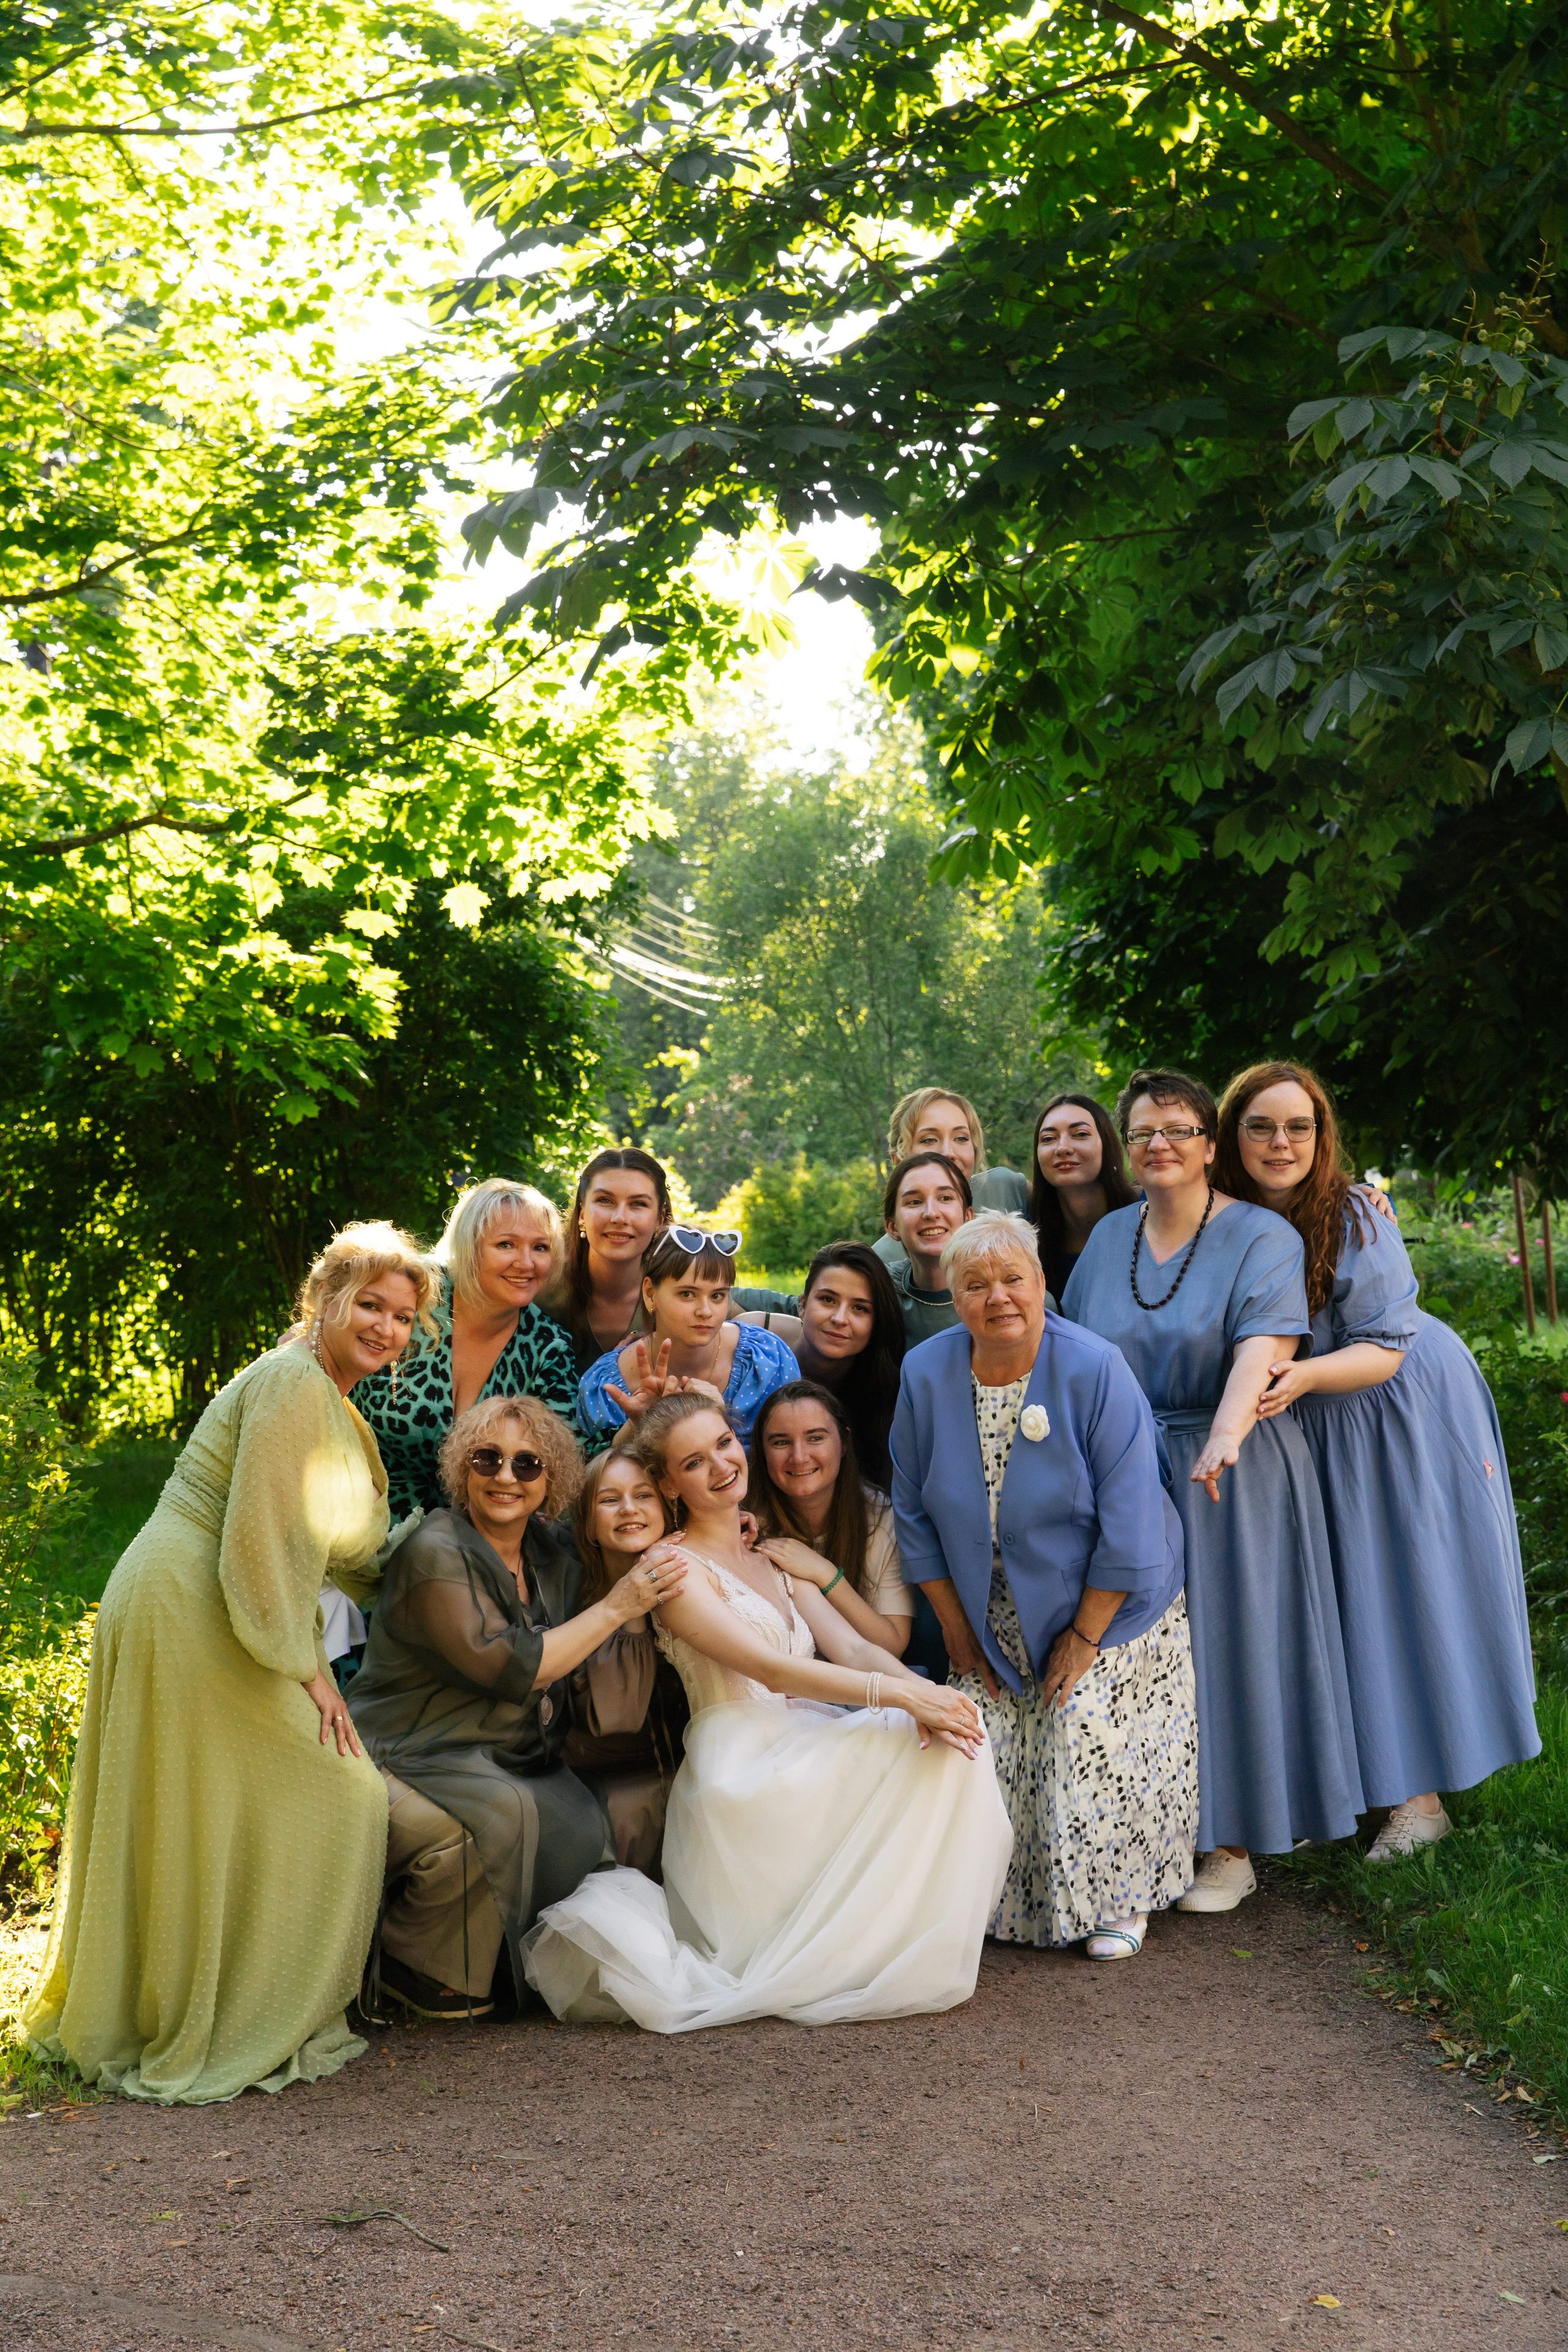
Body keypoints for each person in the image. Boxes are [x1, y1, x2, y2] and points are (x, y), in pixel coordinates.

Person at [24, 1223, 433, 2103]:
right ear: (324, 1301)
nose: (387, 1328)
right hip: (195, 1596)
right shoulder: (293, 1383)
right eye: (370, 1304)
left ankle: (190, 1996)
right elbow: (260, 1539)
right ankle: (230, 2014)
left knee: (214, 1799)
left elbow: (328, 1538)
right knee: (344, 1791)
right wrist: (308, 1668)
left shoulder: (322, 1390)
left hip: (208, 1596)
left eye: (402, 1316)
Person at [522, 1393, 1012, 2030]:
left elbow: (857, 1646)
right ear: (670, 1484)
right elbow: (770, 1669)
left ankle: (891, 1942)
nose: (722, 1465)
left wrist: (937, 1699)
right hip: (741, 1770)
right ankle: (859, 1952)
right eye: (694, 1462)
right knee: (920, 1738)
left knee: (955, 1740)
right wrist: (902, 1696)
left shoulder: (772, 1555)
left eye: (724, 1443)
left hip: (803, 1739)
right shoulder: (671, 1569)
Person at [1215, 1061, 1540, 1858]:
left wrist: (1298, 1378)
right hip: (1315, 1417)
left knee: (1403, 1590)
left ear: (1323, 1136)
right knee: (1342, 1599)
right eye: (1261, 1127)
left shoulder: (1355, 1211)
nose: (1280, 1143)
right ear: (1232, 1136)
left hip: (1397, 1409)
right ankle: (1357, 1778)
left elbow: (1386, 1347)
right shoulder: (1222, 1217)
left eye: (1299, 1126)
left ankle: (1422, 1800)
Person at [1062, 1069, 1363, 1913]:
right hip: (1129, 1465)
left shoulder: (1263, 1237)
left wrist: (1226, 1437)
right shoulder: (1110, 1239)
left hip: (1237, 1467)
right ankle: (1143, 1828)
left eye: (1180, 1131)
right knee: (1139, 1651)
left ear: (1207, 1144)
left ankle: (1231, 1846)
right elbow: (1080, 1364)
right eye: (1146, 1133)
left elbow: (1260, 1353)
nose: (1161, 1145)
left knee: (1229, 1648)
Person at [892, 1212, 1196, 1960]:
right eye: (974, 1284)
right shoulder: (926, 1373)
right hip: (990, 1606)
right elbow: (912, 1509)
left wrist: (1084, 1637)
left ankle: (1118, 1898)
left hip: (1110, 1604)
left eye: (1012, 1279)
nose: (997, 1297)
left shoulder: (1093, 1368)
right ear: (953, 1298)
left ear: (1041, 1284)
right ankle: (993, 1902)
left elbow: (1129, 1530)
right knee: (974, 1744)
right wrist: (957, 1628)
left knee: (1078, 1728)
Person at [347, 1395, 689, 2018]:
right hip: (412, 1745)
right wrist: (617, 1607)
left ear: (550, 1479)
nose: (506, 1477)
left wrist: (712, 1530)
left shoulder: (546, 1547)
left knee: (578, 1814)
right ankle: (412, 1967)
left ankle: (510, 1971)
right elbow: (511, 1666)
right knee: (508, 1812)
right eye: (488, 1459)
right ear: (462, 1468)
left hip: (500, 1752)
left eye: (528, 1465)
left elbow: (609, 1518)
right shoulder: (436, 1549)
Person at [357, 1177, 579, 1520]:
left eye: (540, 1247)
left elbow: (563, 1464)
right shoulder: (412, 1290)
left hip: (472, 1541)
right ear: (470, 1247)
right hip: (356, 1512)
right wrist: (309, 1337)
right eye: (506, 1244)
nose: (527, 1262)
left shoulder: (549, 1347)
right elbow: (335, 1343)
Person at [562, 1448, 692, 1875]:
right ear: (589, 1526)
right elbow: (619, 1717)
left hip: (695, 1771)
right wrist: (632, 1605)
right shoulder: (574, 1601)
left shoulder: (695, 1577)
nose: (629, 1509)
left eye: (644, 1495)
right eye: (609, 1499)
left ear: (667, 1510)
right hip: (612, 1792)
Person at [578, 1225, 799, 1450]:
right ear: (650, 1294)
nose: (705, 1311)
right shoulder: (603, 1389)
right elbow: (598, 1476)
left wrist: (717, 1418)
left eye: (718, 1296)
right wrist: (639, 1425)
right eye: (687, 1294)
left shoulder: (766, 1360)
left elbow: (794, 1456)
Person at [748, 1381, 913, 1656]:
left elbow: (892, 1644)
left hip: (862, 1685)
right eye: (781, 1442)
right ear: (761, 1451)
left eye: (815, 1438)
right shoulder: (745, 1520)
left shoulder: (879, 1516)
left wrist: (824, 1573)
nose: (799, 1457)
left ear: (844, 1443)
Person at [733, 1241, 907, 1483]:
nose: (840, 1318)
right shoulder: (754, 1341)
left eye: (859, 1308)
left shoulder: (885, 1392)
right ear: (802, 1305)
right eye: (828, 1300)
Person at [540, 1148, 673, 1378]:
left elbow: (744, 1305)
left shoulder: (678, 1292)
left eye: (638, 1204)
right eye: (605, 1201)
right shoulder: (540, 1289)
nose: (620, 1218)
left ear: (659, 1220)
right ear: (582, 1213)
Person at [873, 1088, 1028, 1273]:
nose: (948, 1153)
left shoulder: (1007, 1189)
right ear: (898, 1161)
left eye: (961, 1138)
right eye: (929, 1140)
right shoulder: (882, 1261)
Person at [1029, 1094, 1138, 1301]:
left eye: (1080, 1134)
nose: (1062, 1148)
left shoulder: (1147, 1211)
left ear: (1107, 1145)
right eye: (1048, 1139)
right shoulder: (1030, 1234)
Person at [881, 1153, 974, 1345]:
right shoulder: (877, 1291)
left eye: (946, 1198)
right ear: (892, 1227)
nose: (931, 1213)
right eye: (914, 1202)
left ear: (968, 1217)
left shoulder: (1008, 1292)